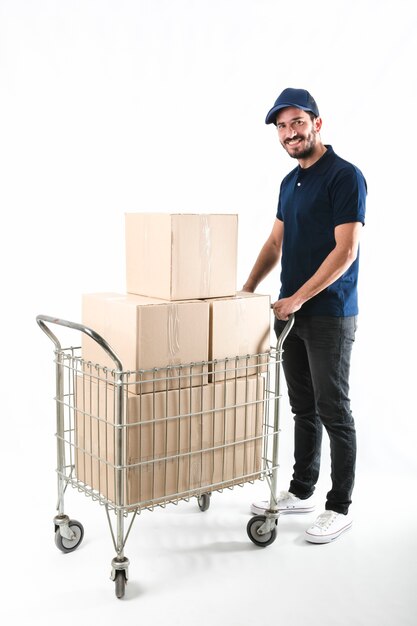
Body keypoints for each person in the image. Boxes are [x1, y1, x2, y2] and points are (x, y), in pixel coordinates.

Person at [243, 87, 367, 544]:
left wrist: (298, 298)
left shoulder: (344, 176)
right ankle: (302, 490)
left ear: (318, 123)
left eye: (298, 122)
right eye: (281, 126)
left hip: (329, 314)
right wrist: (246, 290)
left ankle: (340, 507)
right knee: (303, 408)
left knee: (335, 409)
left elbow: (346, 250)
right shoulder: (289, 182)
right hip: (289, 313)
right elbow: (275, 243)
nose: (290, 132)